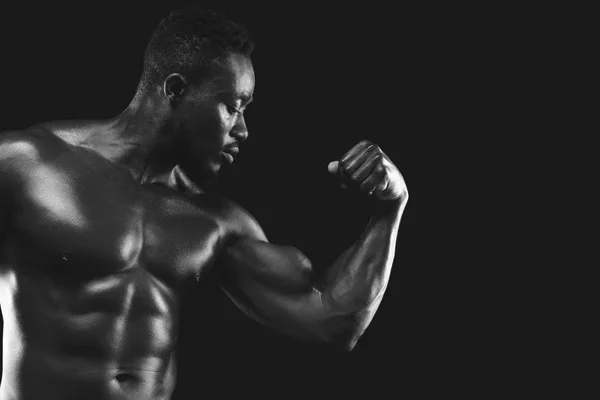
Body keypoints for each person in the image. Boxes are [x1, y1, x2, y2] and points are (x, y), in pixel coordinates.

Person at [0, 5, 408, 400]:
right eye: (232, 107)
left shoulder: (214, 224)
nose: (243, 130)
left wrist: (391, 208)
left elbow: (332, 322)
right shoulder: (28, 165)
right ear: (176, 89)